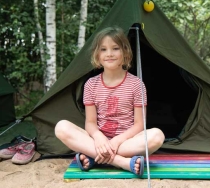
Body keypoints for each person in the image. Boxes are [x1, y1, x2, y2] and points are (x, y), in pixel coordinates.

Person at [55, 26, 165, 176]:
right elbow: (91, 123)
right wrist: (100, 138)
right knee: (61, 127)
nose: (109, 54)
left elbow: (140, 124)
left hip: (126, 142)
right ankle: (121, 162)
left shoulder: (136, 84)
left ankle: (94, 156)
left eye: (115, 48)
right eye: (103, 49)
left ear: (125, 52)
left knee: (157, 136)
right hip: (98, 141)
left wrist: (116, 141)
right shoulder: (91, 85)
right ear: (97, 55)